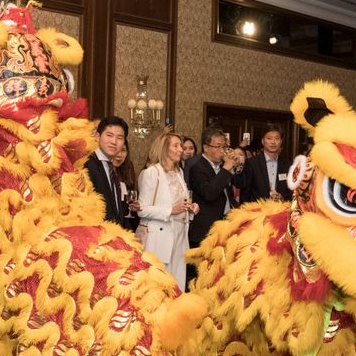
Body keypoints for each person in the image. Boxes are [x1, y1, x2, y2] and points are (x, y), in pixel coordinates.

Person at [136, 133, 197, 289]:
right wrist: (171, 210)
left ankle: (177, 313)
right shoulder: (152, 173)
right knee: (159, 284)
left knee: (177, 283)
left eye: (180, 146)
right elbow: (142, 209)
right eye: (175, 146)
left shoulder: (179, 173)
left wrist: (190, 209)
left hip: (180, 234)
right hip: (160, 236)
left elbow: (181, 203)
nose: (180, 150)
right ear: (164, 148)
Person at [187, 126, 244, 250]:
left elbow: (241, 185)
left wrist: (238, 165)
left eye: (224, 146)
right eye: (218, 146)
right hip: (205, 231)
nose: (222, 150)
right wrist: (226, 169)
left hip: (225, 227)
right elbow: (209, 193)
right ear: (206, 148)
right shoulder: (197, 168)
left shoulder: (224, 166)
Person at [85, 116, 131, 229]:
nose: (114, 142)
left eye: (119, 138)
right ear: (98, 136)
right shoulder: (88, 164)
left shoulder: (111, 168)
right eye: (109, 135)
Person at [234, 124, 290, 204]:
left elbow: (292, 192)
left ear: (281, 141)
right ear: (263, 141)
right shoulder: (252, 163)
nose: (273, 142)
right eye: (269, 138)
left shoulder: (287, 165)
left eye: (277, 139)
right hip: (256, 212)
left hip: (281, 212)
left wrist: (282, 198)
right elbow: (245, 192)